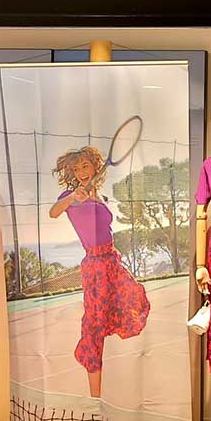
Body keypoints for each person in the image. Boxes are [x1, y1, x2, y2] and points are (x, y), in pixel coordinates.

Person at [49, 146, 151, 397]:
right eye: (76, 168)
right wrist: (73, 197)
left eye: (85, 166)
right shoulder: (70, 196)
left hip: (112, 261)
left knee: (136, 298)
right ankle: (95, 396)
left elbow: (106, 225)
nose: (81, 172)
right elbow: (53, 212)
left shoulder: (100, 196)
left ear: (95, 167)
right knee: (94, 328)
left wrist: (94, 198)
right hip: (94, 266)